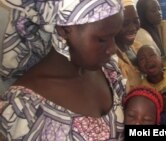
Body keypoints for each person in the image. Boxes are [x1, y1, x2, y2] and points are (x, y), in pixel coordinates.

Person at [0, 0, 125, 140]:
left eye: (114, 36)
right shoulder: (25, 108)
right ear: (64, 30)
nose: (113, 48)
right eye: (102, 39)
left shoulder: (108, 70)